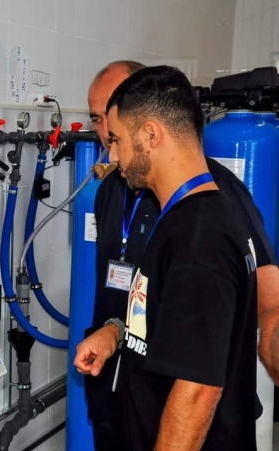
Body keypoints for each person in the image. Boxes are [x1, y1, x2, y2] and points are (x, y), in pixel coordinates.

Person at [83, 60, 279, 450]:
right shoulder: (178, 215)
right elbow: (164, 312)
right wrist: (117, 331)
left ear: (150, 133)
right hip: (132, 413)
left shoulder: (201, 234)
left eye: (117, 136)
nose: (111, 152)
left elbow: (197, 391)